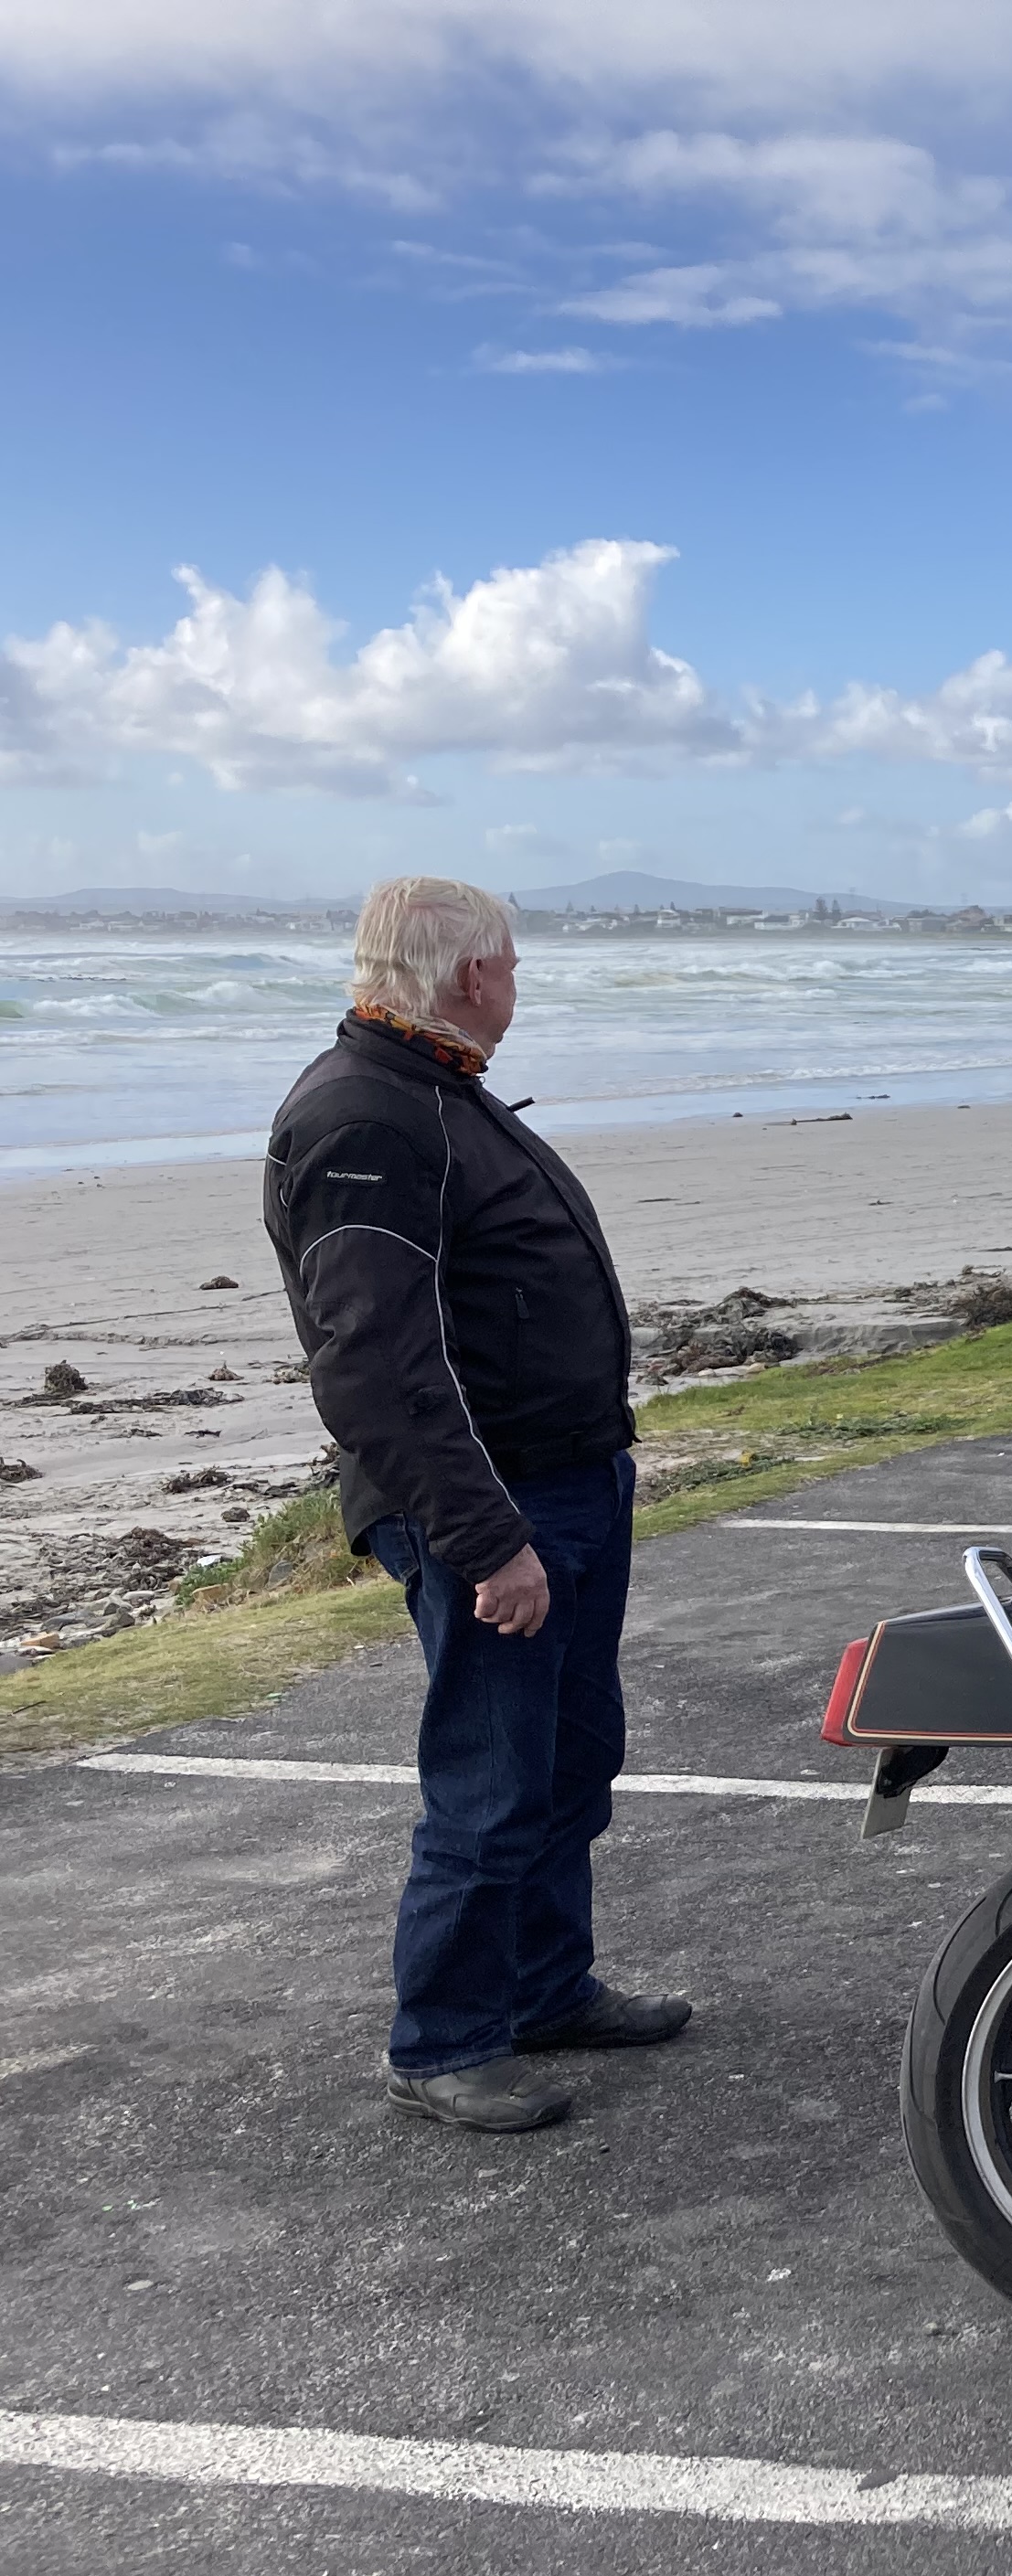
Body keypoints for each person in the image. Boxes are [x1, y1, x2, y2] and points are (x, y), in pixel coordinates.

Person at [262, 878, 686, 2134]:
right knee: (491, 1782)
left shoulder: (433, 1087)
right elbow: (375, 1366)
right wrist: (489, 1539)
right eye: (512, 964)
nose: (519, 984)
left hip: (565, 1477)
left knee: (570, 1756)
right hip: (491, 1503)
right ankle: (443, 2042)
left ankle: (545, 1988)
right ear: (469, 975)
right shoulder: (366, 1114)